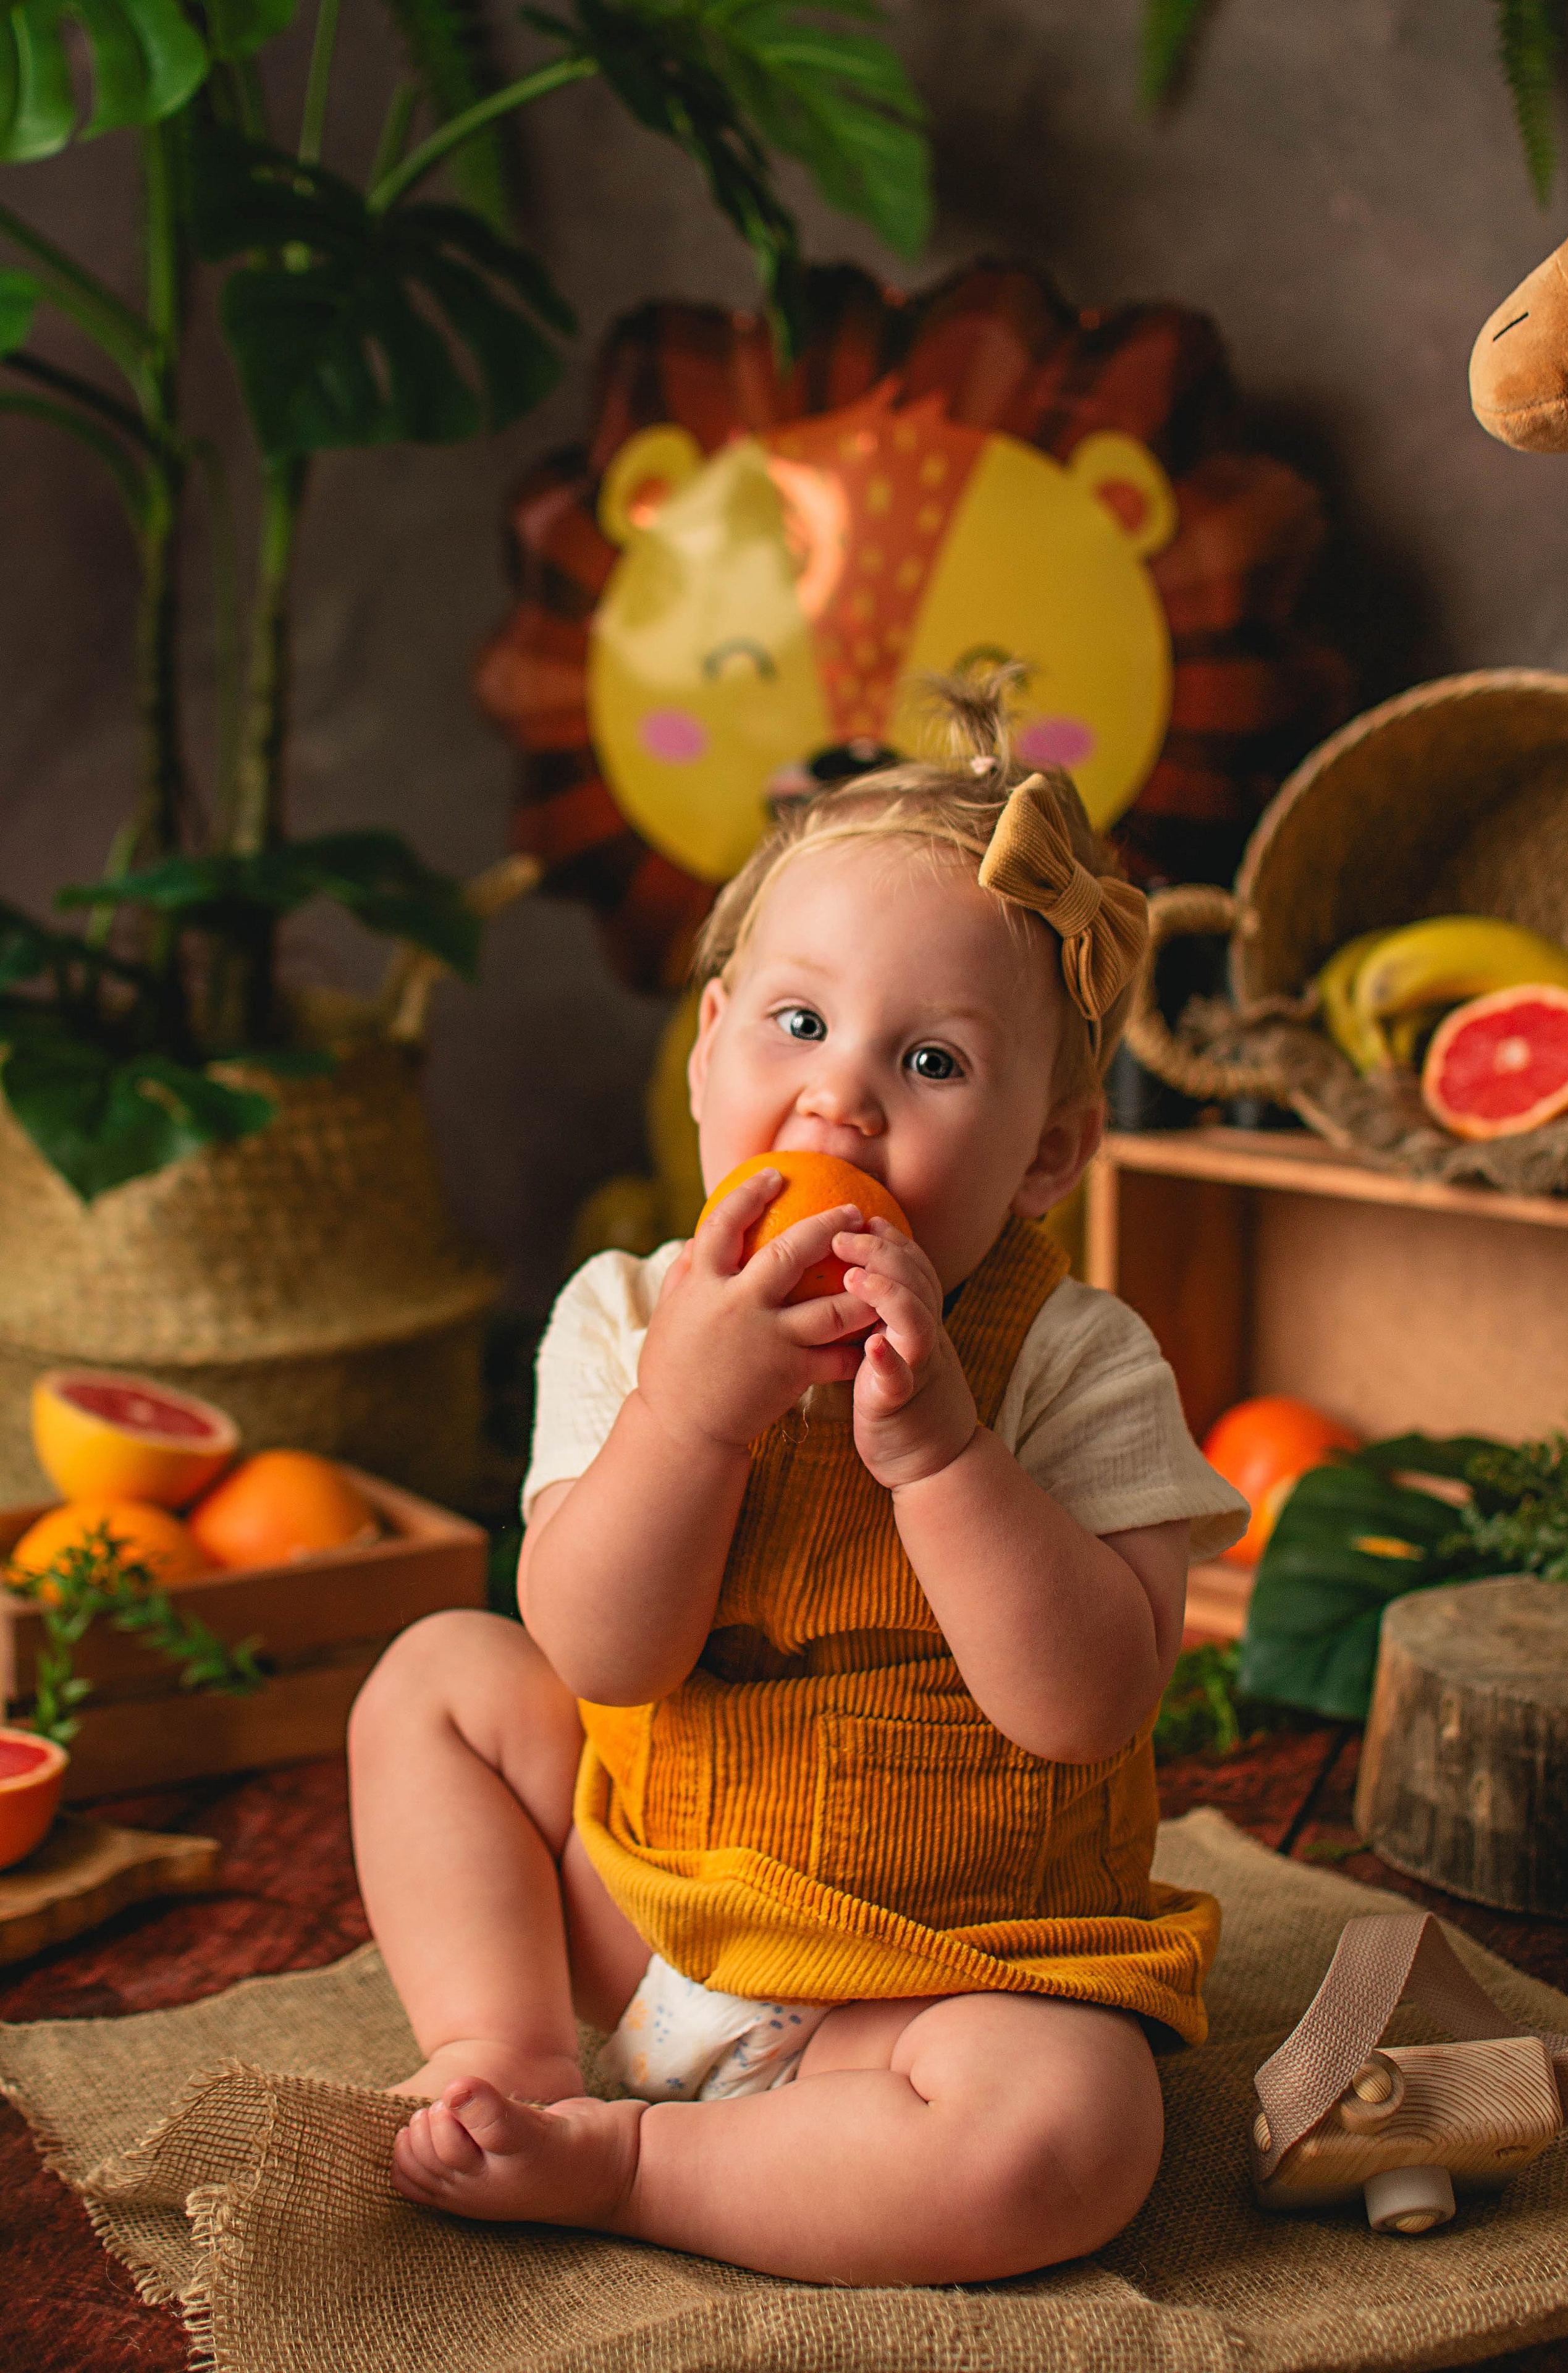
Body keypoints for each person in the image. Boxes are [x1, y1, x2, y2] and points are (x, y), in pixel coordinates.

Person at [348, 673, 1248, 2286]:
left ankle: (633, 2166)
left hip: (930, 1977)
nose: (839, 1098)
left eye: (933, 1063)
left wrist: (947, 1456)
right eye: (801, 1025)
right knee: (436, 1679)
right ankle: (507, 2049)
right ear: (708, 1057)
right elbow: (601, 1654)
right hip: (642, 1902)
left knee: (1073, 2134)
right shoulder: (626, 1318)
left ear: (1047, 1152)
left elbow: (1093, 1703)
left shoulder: (1074, 1360)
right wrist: (691, 1416)